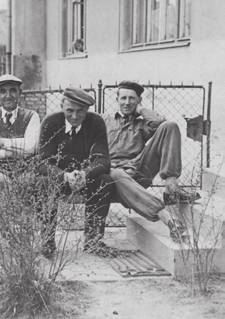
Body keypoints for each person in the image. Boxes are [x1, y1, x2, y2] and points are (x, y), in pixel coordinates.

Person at [102, 80, 200, 243]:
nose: (127, 102)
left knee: (170, 125)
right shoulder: (104, 119)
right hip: (112, 175)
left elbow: (161, 123)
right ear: (117, 99)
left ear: (139, 101)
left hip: (138, 171)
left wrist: (140, 109)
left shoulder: (142, 124)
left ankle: (171, 186)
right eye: (123, 98)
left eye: (132, 99)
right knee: (118, 173)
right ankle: (169, 219)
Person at [38, 87, 117, 258]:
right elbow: (43, 162)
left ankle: (93, 241)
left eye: (80, 111)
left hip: (85, 179)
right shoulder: (50, 123)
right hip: (60, 179)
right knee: (43, 183)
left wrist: (85, 174)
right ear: (61, 105)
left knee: (105, 181)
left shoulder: (96, 123)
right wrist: (64, 176)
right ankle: (47, 240)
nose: (74, 116)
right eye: (70, 110)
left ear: (87, 110)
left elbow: (103, 159)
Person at [0, 75, 40, 178]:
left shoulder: (31, 116)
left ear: (19, 93)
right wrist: (7, 154)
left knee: (25, 182)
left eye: (12, 90)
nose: (8, 96)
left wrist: (0, 142)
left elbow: (31, 147)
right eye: (2, 91)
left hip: (25, 169)